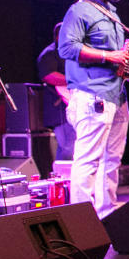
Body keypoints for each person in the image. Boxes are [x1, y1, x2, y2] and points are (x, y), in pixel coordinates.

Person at [57, 0, 129, 217]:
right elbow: (66, 48)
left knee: (112, 161)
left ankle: (106, 215)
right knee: (88, 161)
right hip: (93, 94)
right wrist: (109, 56)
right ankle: (82, 222)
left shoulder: (112, 14)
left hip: (117, 96)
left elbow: (118, 56)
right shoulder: (80, 10)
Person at [36, 23, 76, 161]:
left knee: (73, 145)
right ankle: (63, 173)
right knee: (68, 147)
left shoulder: (70, 53)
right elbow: (48, 75)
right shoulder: (49, 53)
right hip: (59, 108)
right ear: (59, 36)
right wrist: (74, 79)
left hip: (72, 105)